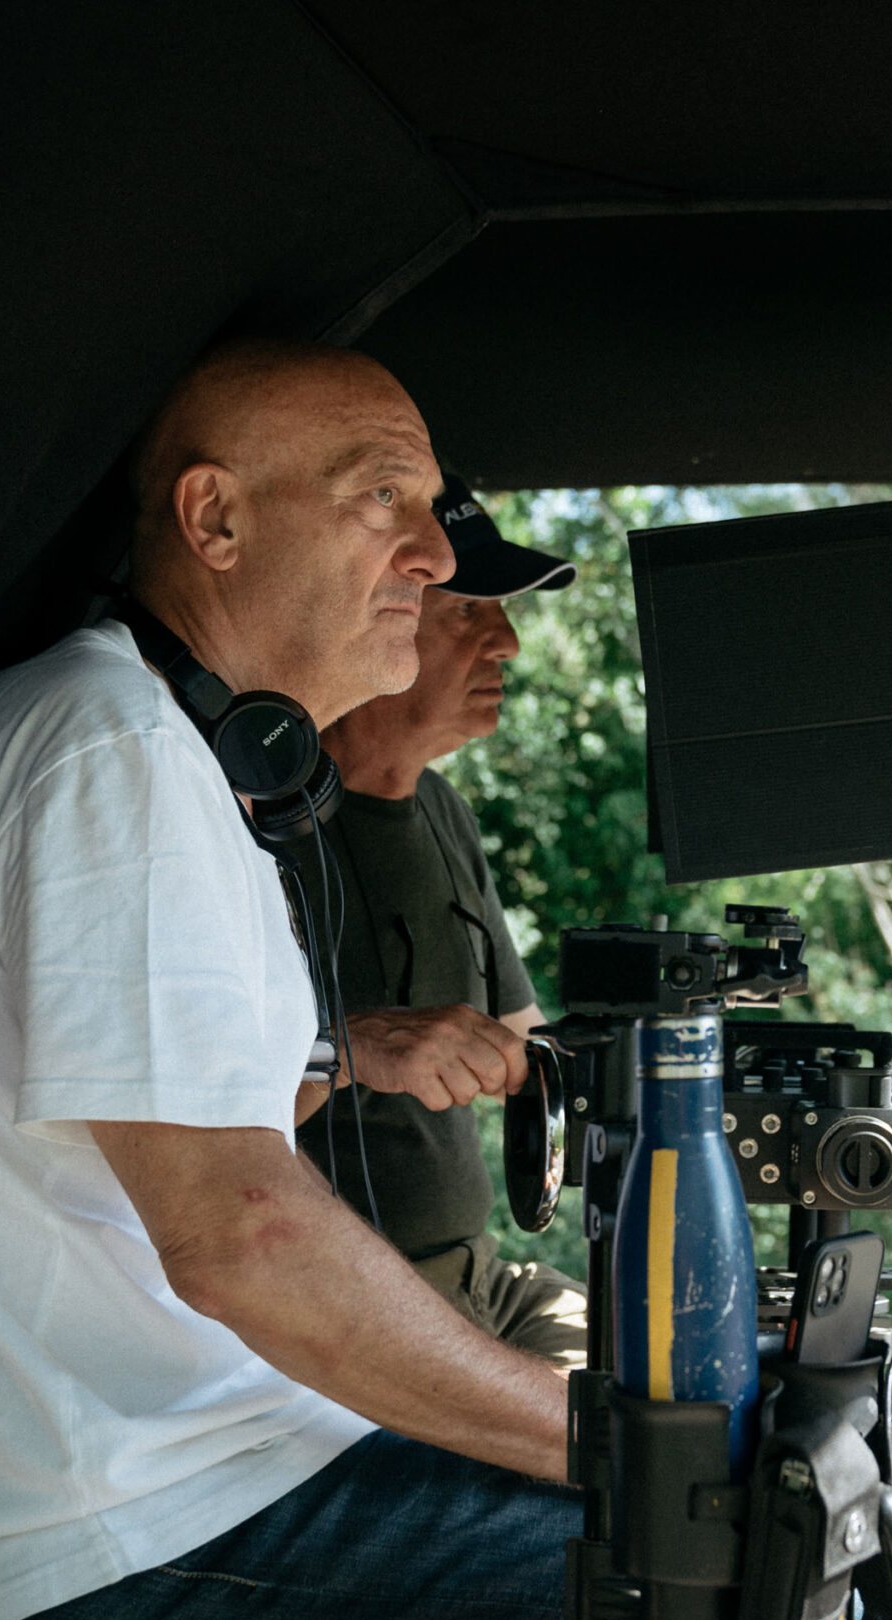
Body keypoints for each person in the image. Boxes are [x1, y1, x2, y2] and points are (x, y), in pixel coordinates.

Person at [0, 341, 580, 1620]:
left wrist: (347, 1051)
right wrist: (605, 1438)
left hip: (168, 1483)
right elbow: (239, 1236)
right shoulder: (110, 753)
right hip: (67, 1543)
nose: (432, 553)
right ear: (213, 519)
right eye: (382, 500)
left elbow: (166, 1136)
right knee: (696, 1560)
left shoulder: (158, 749)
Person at [304, 470, 587, 1367]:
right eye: (468, 610)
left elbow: (535, 1051)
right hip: (358, 1305)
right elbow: (197, 1135)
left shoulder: (443, 810)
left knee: (699, 1377)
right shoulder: (260, 825)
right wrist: (350, 1047)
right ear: (384, 620)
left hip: (485, 1281)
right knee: (626, 1462)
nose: (505, 640)